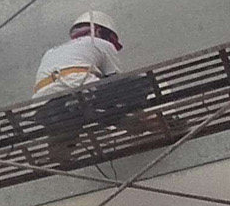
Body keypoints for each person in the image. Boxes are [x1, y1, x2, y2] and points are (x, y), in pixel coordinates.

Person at [29, 11, 165, 166]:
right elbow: (114, 79)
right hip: (81, 94)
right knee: (138, 83)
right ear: (101, 32)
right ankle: (143, 120)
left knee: (73, 121)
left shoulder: (51, 52)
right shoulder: (101, 43)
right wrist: (130, 111)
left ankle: (58, 153)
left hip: (45, 109)